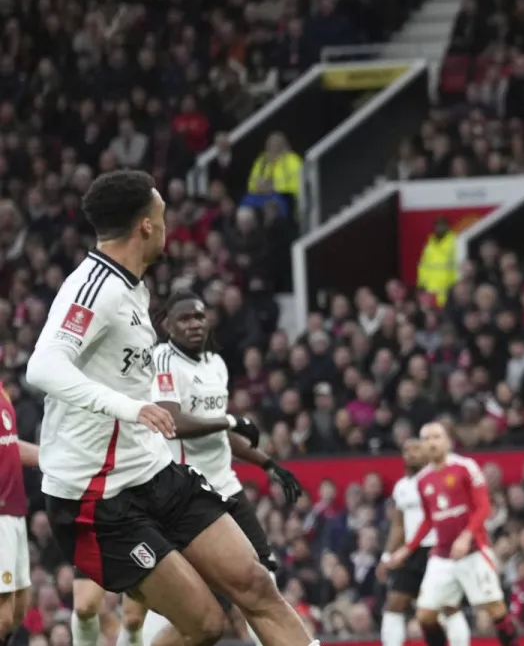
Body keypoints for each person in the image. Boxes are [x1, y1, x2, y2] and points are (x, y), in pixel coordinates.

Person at [24, 169, 319, 646]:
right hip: (95, 498)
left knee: (256, 585)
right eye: (162, 216)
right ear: (145, 225)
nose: (168, 227)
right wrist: (129, 407)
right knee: (204, 624)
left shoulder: (133, 288)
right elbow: (43, 367)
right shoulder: (93, 288)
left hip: (153, 472)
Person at [138, 292, 306, 644]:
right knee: (184, 603)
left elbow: (219, 433)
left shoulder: (216, 363)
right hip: (184, 492)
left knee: (263, 577)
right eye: (184, 319)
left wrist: (268, 463)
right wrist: (230, 420)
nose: (194, 324)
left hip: (225, 485)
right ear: (167, 325)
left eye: (199, 317)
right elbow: (173, 421)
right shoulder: (163, 360)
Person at [387, 423, 516, 646]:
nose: (432, 443)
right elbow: (429, 520)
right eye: (426, 439)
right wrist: (407, 549)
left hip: (474, 551)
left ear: (447, 441)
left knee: (495, 609)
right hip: (442, 556)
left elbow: (483, 507)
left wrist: (466, 536)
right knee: (425, 615)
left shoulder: (465, 467)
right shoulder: (424, 480)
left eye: (436, 437)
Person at [381, 438, 470, 646]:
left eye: (416, 450)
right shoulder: (401, 486)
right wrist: (387, 554)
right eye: (406, 450)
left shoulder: (437, 478)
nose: (410, 454)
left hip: (437, 549)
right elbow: (399, 524)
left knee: (447, 605)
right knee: (395, 603)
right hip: (410, 552)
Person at [0, 385, 39, 644]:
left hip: (15, 512)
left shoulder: (2, 392)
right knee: (2, 616)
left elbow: (10, 445)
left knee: (18, 609)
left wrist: (53, 458)